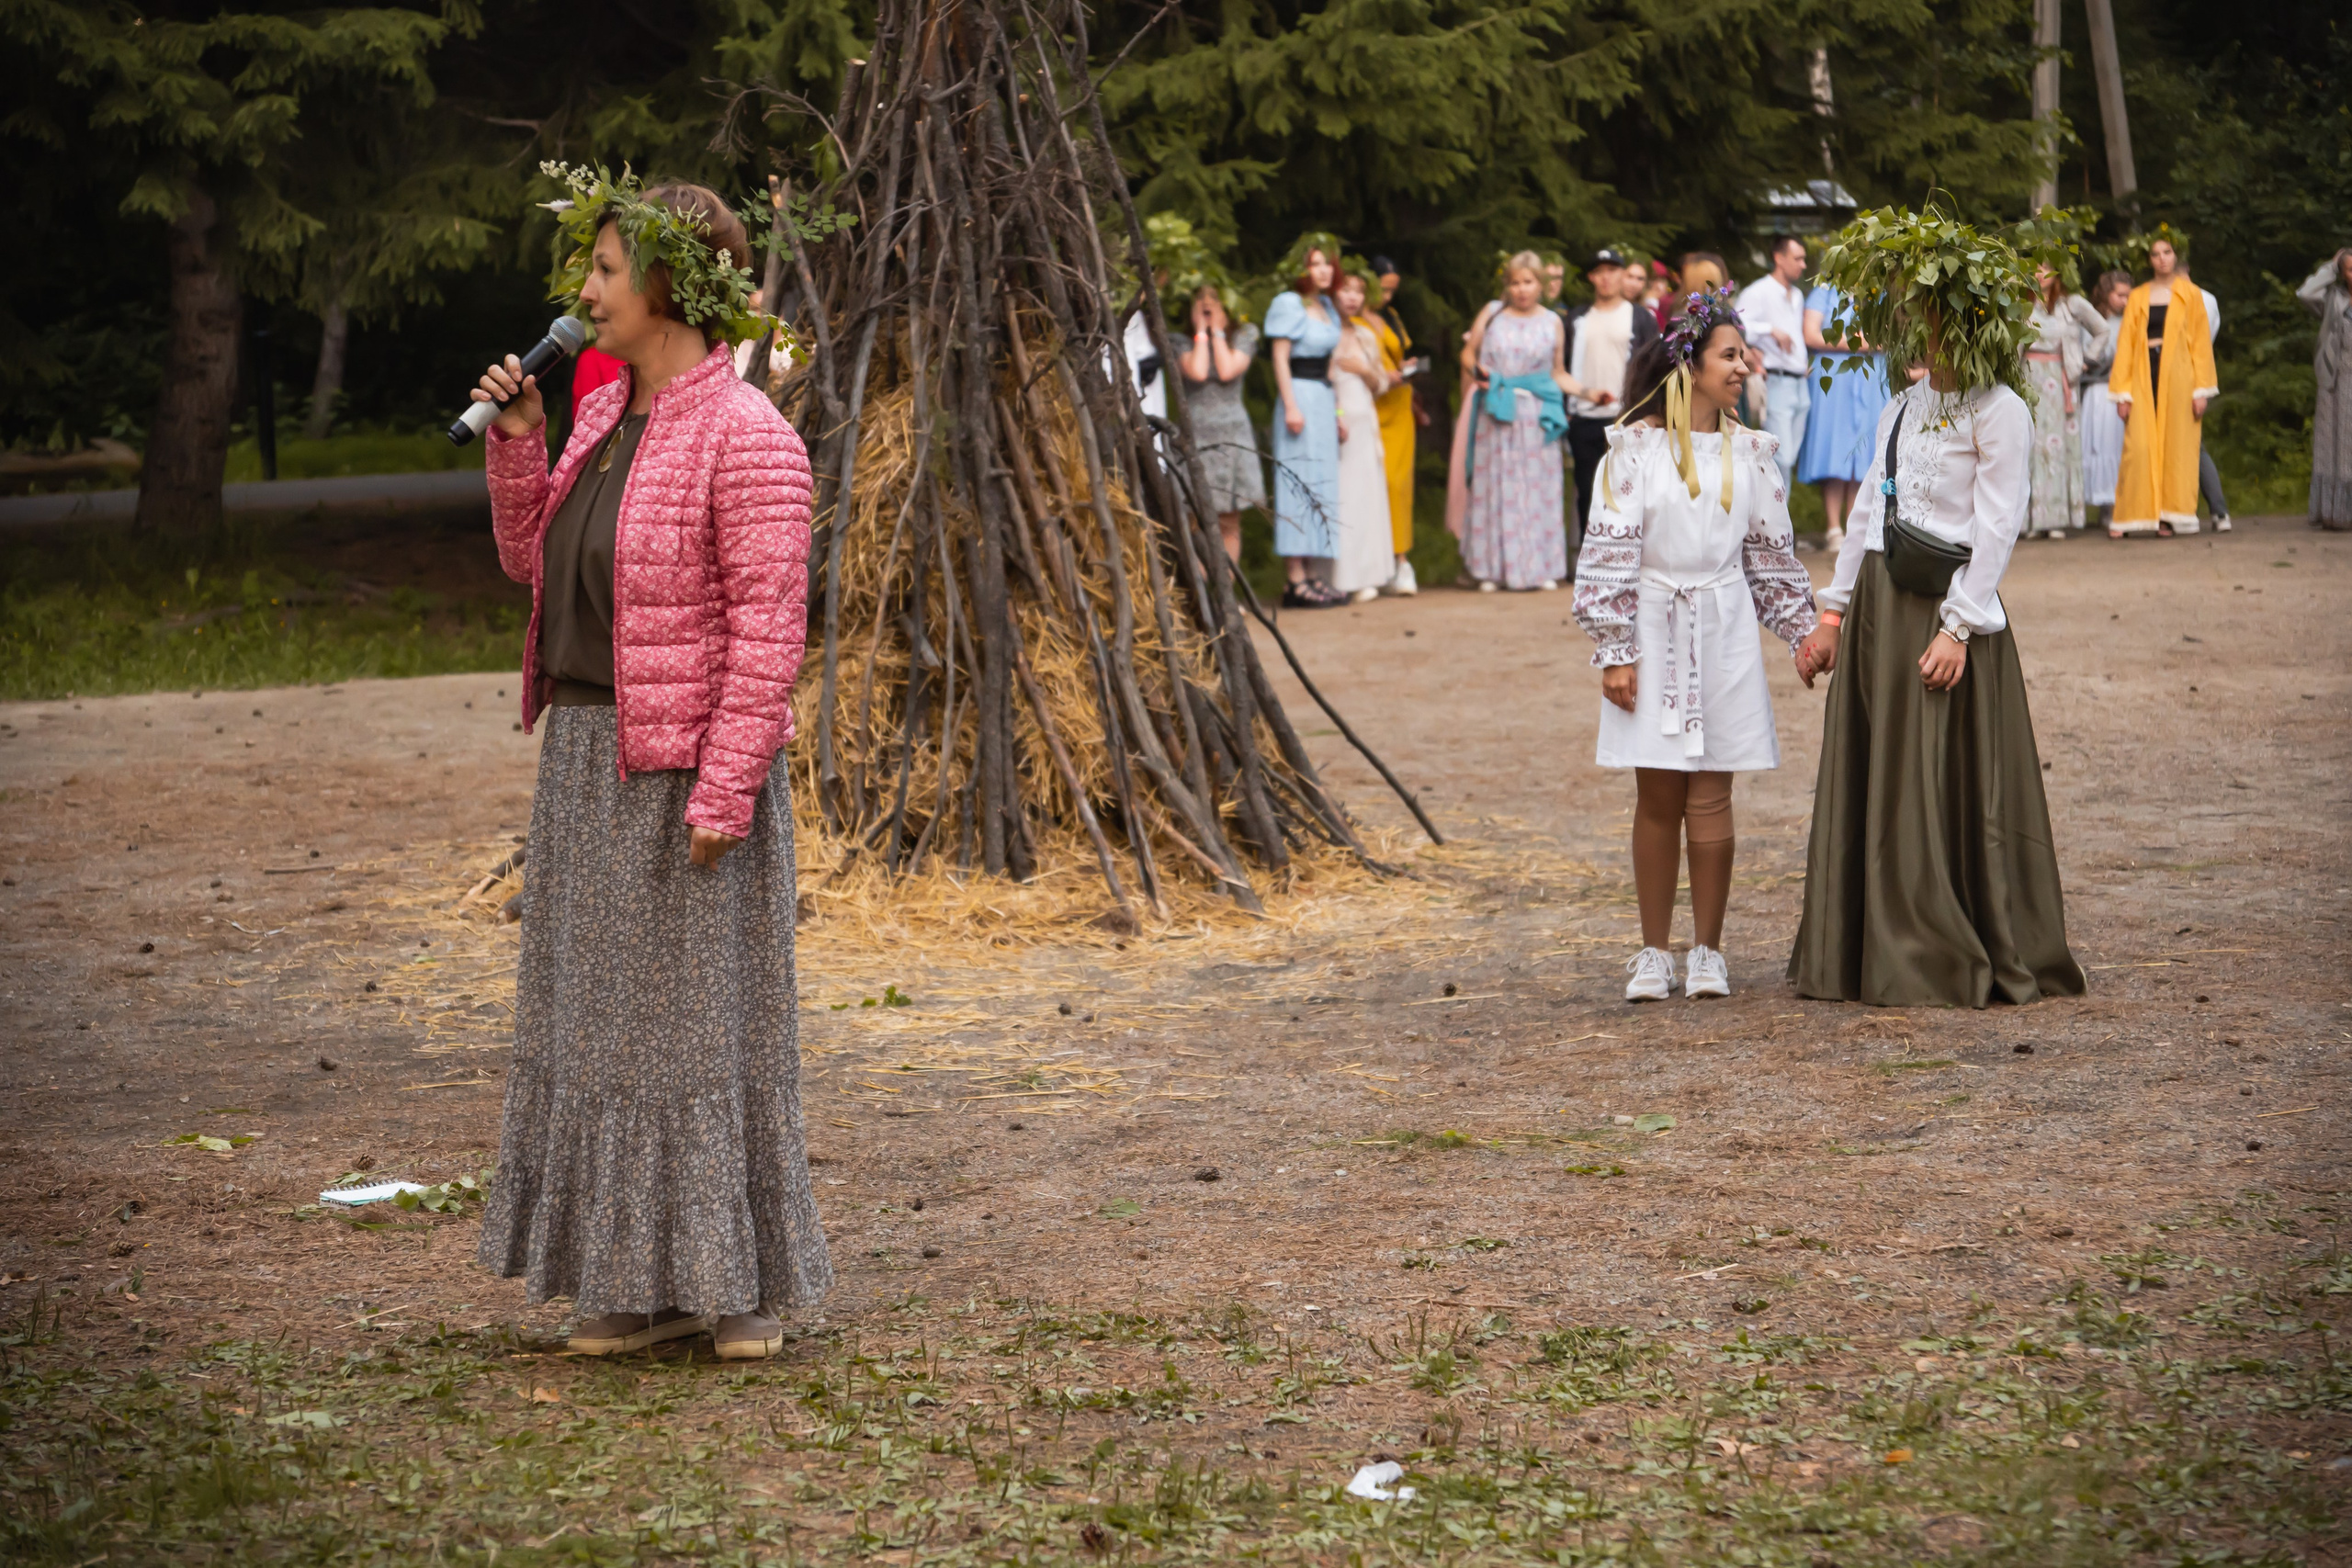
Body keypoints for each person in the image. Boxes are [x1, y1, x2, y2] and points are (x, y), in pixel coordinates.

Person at [470, 170, 829, 1359]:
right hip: (586, 760)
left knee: (703, 1036)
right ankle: (631, 1279)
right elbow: (540, 573)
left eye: (608, 270)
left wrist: (726, 789)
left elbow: (771, 627)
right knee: (604, 1039)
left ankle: (739, 1288)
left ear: (672, 283)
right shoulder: (597, 416)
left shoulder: (750, 434)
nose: (585, 291)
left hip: (685, 774)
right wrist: (521, 451)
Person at [1788, 214, 2086, 1010]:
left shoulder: (2001, 410)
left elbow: (1996, 525)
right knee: (1881, 778)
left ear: (1967, 320)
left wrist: (1958, 626)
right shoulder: (1902, 405)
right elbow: (1865, 515)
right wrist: (1831, 615)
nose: (1916, 327)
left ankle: (1938, 947)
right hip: (1882, 609)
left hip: (1948, 608)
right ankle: (1870, 947)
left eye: (1928, 314)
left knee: (1936, 779)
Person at [1572, 288, 1817, 1001]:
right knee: (1657, 791)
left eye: (1743, 355)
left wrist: (1804, 632)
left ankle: (1708, 949)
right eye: (1730, 355)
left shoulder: (1751, 455)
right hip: (1653, 622)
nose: (1744, 366)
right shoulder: (1633, 452)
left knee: (1712, 793)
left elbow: (1769, 557)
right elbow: (1608, 552)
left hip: (1724, 626)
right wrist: (1617, 649)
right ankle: (1654, 951)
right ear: (1691, 365)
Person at [1458, 251, 1586, 592]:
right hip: (1496, 409)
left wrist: (1588, 392)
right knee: (1495, 486)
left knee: (1537, 488)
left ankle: (1540, 567)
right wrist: (1478, 372)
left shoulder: (1552, 322)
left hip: (1535, 415)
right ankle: (1491, 568)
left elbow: (1557, 372)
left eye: (1528, 282)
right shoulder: (1492, 314)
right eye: (1515, 282)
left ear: (1540, 285)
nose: (1521, 289)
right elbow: (1468, 352)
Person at [2109, 234, 2217, 537]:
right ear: (2149, 259)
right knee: (2139, 446)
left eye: (2167, 252)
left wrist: (2201, 389)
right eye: (2155, 253)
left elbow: (2200, 345)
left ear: (2175, 255)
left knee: (2177, 446)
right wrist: (2123, 392)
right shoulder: (2139, 296)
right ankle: (2130, 516)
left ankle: (2168, 517)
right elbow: (2127, 344)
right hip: (2145, 372)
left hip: (2179, 376)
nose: (2162, 258)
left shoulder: (2190, 294)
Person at [1265, 236, 1348, 607]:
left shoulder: (1328, 307)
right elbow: (1280, 357)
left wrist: (1338, 413)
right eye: (1316, 264)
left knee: (1321, 484)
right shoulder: (1289, 304)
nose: (1324, 271)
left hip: (1322, 396)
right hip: (1298, 394)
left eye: (1328, 264)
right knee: (1296, 482)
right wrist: (1291, 405)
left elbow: (1331, 366)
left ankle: (1313, 573)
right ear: (1303, 269)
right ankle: (1294, 578)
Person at [1566, 248, 1659, 558]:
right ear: (1592, 277)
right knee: (1587, 489)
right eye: (1599, 271)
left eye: (1613, 270)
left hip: (1626, 417)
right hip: (1584, 416)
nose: (1606, 277)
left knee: (1629, 490)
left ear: (1622, 274)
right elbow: (1562, 364)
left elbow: (1652, 365)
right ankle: (1589, 555)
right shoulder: (1578, 318)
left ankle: (1629, 553)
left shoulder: (1640, 317)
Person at [1794, 280, 1891, 552]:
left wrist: (1858, 342)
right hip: (1835, 378)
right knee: (1834, 448)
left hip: (1872, 378)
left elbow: (1889, 335)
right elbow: (1812, 334)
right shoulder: (1825, 291)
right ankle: (1833, 527)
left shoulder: (1880, 293)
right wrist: (1863, 342)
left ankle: (1856, 525)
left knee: (1867, 451)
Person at [1321, 269, 1397, 601]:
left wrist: (1365, 370)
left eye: (1358, 291)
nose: (1352, 297)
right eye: (1346, 290)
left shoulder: (1365, 335)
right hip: (1339, 422)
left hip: (1365, 420)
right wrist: (1337, 413)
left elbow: (1380, 383)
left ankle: (1368, 573)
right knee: (1343, 496)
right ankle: (1338, 576)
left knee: (1366, 495)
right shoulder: (1323, 333)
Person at [1175, 283, 1265, 563]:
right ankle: (1201, 598)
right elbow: (1198, 371)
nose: (1207, 307)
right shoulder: (1179, 341)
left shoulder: (1245, 336)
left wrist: (1217, 332)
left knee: (1229, 519)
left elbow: (1227, 370)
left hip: (1233, 437)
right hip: (1197, 436)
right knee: (1197, 517)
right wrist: (1202, 332)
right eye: (1200, 302)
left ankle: (1226, 595)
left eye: (1214, 301)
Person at [2022, 265, 2106, 538]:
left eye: (2047, 269)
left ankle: (2056, 518)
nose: (2041, 274)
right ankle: (2031, 520)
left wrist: (2085, 362)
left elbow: (2102, 329)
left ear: (2058, 273)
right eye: (2035, 269)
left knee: (2057, 449)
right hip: (2028, 381)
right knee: (2030, 447)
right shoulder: (2021, 305)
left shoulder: (2070, 305)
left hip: (2060, 383)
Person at [1737, 236, 1812, 490]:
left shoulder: (1798, 295)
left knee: (1790, 455)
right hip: (1776, 379)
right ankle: (1778, 524)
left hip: (1800, 379)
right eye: (1798, 258)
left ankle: (1779, 519)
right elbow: (1737, 324)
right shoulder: (1758, 292)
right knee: (1781, 455)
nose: (1803, 265)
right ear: (1779, 258)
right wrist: (1770, 330)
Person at [1369, 256, 1422, 594]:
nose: (1387, 297)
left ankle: (1400, 559)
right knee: (1376, 483)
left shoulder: (1392, 316)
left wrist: (1408, 366)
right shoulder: (1352, 319)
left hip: (1399, 405)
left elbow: (1397, 355)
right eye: (1383, 289)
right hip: (1372, 406)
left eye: (1392, 291)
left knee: (1398, 484)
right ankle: (1374, 561)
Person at [2172, 255, 2230, 530]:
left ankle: (2206, 510)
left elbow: (2202, 343)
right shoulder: (2208, 299)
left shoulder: (2198, 300)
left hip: (2187, 377)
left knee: (2192, 445)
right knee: (2189, 445)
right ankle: (2211, 511)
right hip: (2189, 376)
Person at [2298, 246, 2352, 531]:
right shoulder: (2334, 299)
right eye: (2350, 269)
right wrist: (2329, 267)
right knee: (2335, 445)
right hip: (2336, 378)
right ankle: (2335, 511)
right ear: (2343, 274)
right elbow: (2305, 293)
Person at [2078, 269, 2131, 526]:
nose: (2126, 301)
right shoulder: (2092, 321)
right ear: (2108, 294)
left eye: (2128, 295)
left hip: (2122, 391)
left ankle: (2116, 504)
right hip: (2099, 390)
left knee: (2117, 446)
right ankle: (2101, 505)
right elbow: (2088, 356)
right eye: (2120, 295)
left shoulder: (2130, 320)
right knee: (2099, 446)